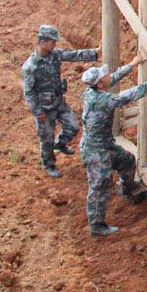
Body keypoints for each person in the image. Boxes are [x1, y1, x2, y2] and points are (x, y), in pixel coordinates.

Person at [80, 57, 147, 236]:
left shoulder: (91, 91)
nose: (107, 75)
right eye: (103, 75)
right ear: (99, 85)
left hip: (103, 144)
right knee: (100, 185)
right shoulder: (103, 100)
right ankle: (97, 225)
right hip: (94, 150)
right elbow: (132, 94)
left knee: (127, 161)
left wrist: (133, 64)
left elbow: (112, 78)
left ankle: (127, 188)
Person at [21, 25, 99, 178]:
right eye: (51, 42)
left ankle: (61, 143)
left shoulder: (54, 55)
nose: (54, 44)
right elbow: (29, 93)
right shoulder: (31, 66)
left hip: (58, 102)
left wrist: (94, 52)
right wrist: (38, 112)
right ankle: (49, 164)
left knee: (74, 127)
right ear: (42, 41)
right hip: (44, 108)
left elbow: (73, 55)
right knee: (46, 139)